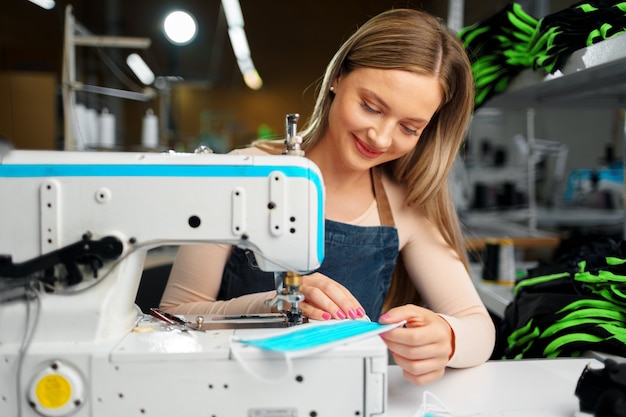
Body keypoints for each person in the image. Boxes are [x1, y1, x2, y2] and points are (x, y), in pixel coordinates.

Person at [160, 8, 495, 385]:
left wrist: (446, 337)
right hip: (230, 388)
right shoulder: (241, 173)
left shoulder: (405, 206)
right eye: (371, 106)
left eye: (408, 127)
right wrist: (269, 307)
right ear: (338, 77)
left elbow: (480, 329)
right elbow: (173, 314)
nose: (381, 138)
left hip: (345, 396)